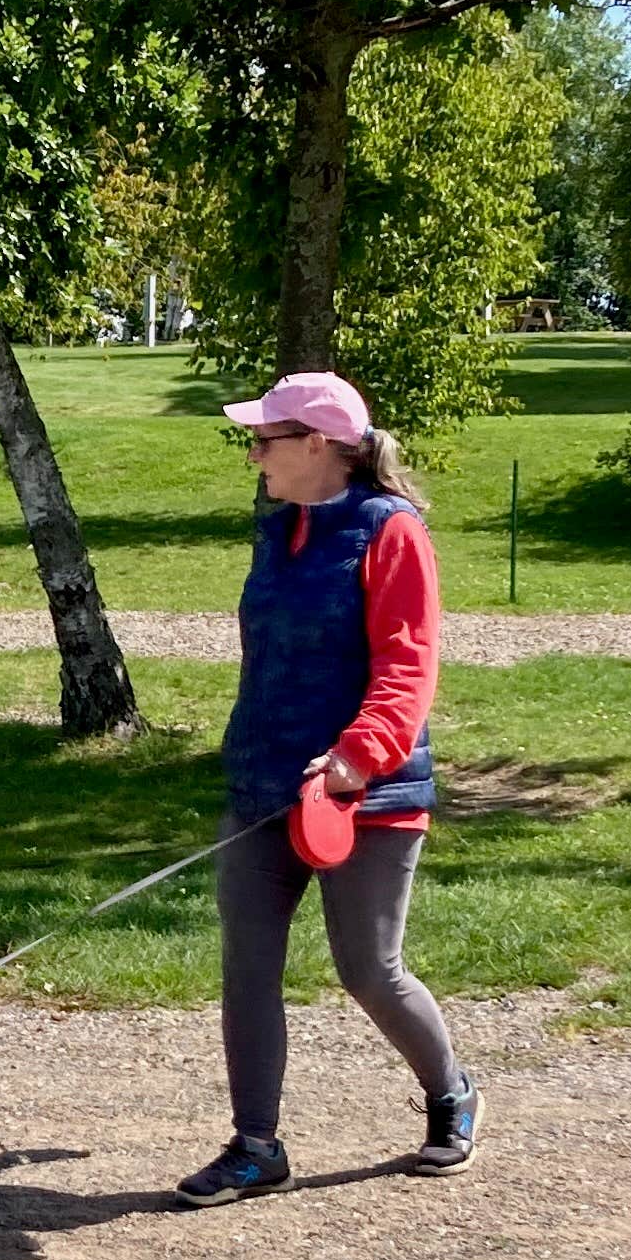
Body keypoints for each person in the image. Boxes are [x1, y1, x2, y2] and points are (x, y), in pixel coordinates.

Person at [179, 370, 478, 1203]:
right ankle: (256, 1148)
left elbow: (408, 664)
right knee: (247, 968)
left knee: (369, 970)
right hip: (263, 789)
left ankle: (452, 1093)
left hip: (366, 795)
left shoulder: (390, 531)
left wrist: (358, 755)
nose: (253, 454)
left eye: (264, 439)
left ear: (318, 444)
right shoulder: (279, 530)